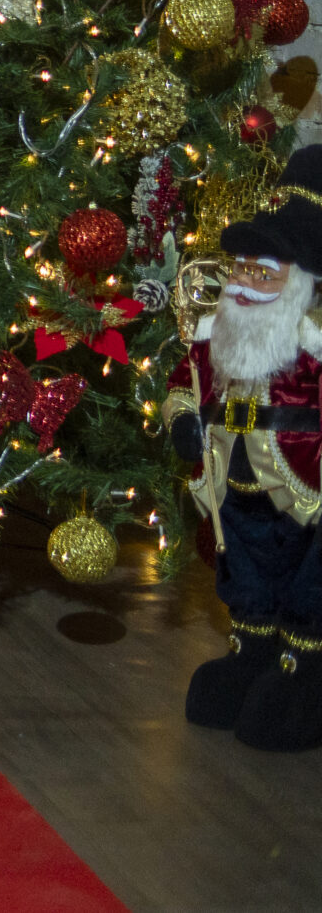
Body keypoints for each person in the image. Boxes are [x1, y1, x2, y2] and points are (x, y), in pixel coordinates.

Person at [164, 151, 322, 753]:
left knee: (307, 587)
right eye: (242, 268)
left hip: (304, 494)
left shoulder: (313, 348)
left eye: (265, 273)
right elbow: (184, 385)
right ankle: (250, 652)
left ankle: (303, 670)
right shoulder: (219, 335)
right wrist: (183, 420)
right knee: (247, 580)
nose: (245, 283)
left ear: (301, 283)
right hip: (232, 486)